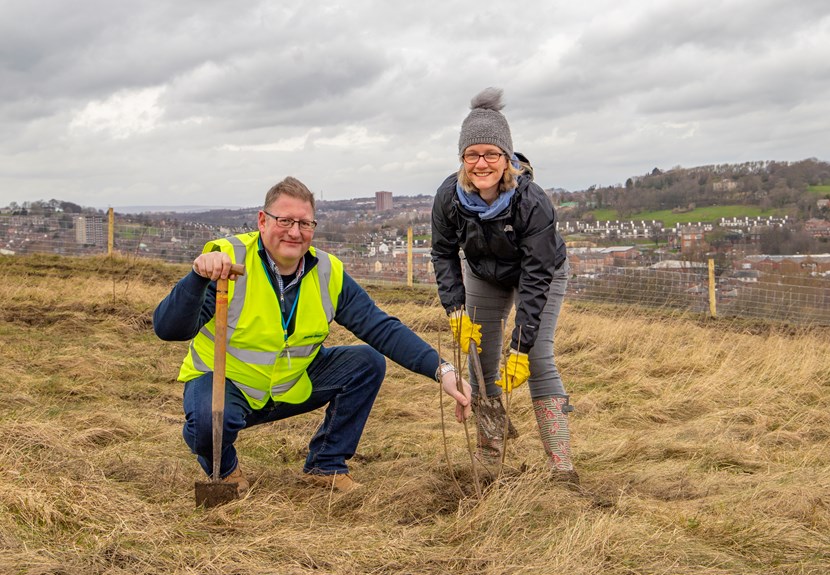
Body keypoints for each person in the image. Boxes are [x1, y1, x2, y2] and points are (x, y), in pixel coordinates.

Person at [154, 176, 471, 494]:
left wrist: (442, 369)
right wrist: (197, 277)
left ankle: (326, 464)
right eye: (285, 220)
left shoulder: (327, 272)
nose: (294, 232)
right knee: (205, 425)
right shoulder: (229, 261)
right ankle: (225, 469)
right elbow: (169, 329)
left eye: (304, 223)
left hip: (292, 386)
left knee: (367, 362)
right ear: (262, 221)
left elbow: (381, 327)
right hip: (227, 386)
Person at [430, 87, 577, 483]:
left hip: (540, 275)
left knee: (538, 360)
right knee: (479, 358)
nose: (482, 163)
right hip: (483, 274)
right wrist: (456, 311)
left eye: (491, 154)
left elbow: (537, 276)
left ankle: (561, 465)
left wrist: (522, 346)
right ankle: (489, 454)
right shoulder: (448, 198)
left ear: (506, 157)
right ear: (462, 158)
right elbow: (443, 254)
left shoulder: (532, 201)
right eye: (472, 154)